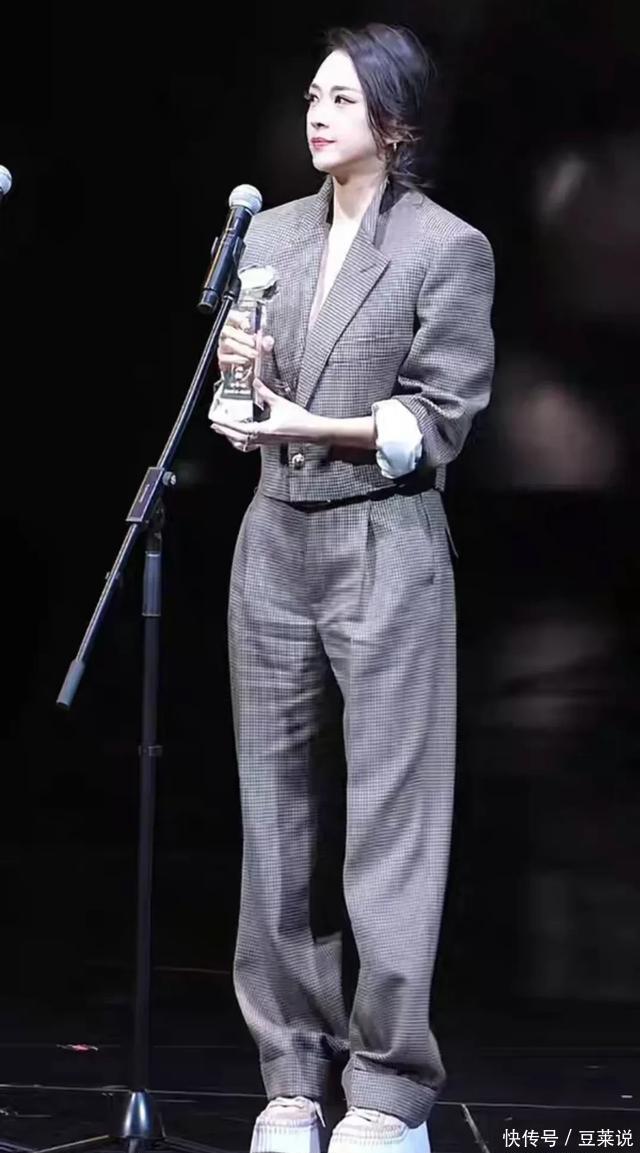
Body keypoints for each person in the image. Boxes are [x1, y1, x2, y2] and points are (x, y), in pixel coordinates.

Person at [208, 21, 495, 1153]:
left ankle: (386, 1092)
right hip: (274, 541)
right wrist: (241, 387)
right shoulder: (270, 231)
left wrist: (308, 423)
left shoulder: (445, 247)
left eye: (343, 98)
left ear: (396, 120)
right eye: (313, 97)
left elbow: (437, 420)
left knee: (390, 824)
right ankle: (290, 1076)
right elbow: (244, 396)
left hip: (385, 539)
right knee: (275, 820)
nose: (318, 115)